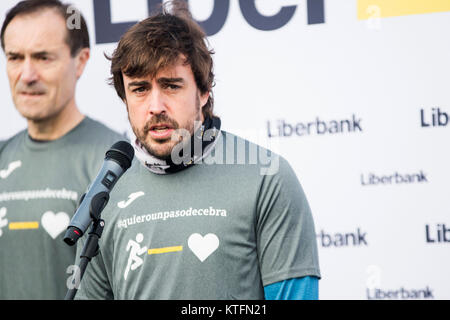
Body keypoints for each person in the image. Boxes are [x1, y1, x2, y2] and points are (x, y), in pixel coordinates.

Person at [75, 0, 321, 300]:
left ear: (204, 91)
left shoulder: (268, 177)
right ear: (124, 98)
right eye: (139, 89)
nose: (155, 107)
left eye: (171, 86)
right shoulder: (105, 192)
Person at [0, 0, 124, 299]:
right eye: (15, 57)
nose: (27, 75)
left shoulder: (113, 162)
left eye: (43, 58)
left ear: (80, 61)